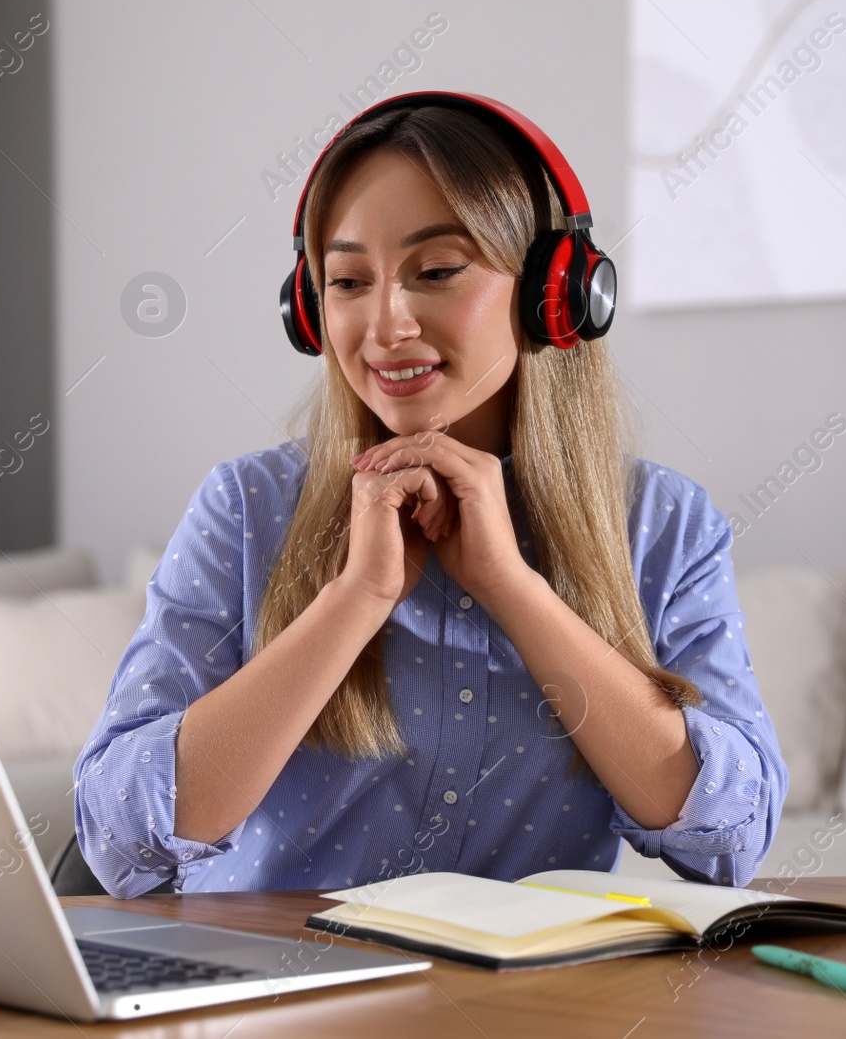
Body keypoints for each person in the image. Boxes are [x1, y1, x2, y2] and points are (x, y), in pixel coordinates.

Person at [74, 93, 787, 898]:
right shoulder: (246, 509)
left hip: (528, 1009)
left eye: (437, 271)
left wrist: (512, 586)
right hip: (281, 1003)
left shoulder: (664, 526)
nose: (386, 325)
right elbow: (119, 837)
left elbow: (731, 838)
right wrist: (357, 596)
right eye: (346, 281)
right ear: (311, 309)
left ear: (554, 292)